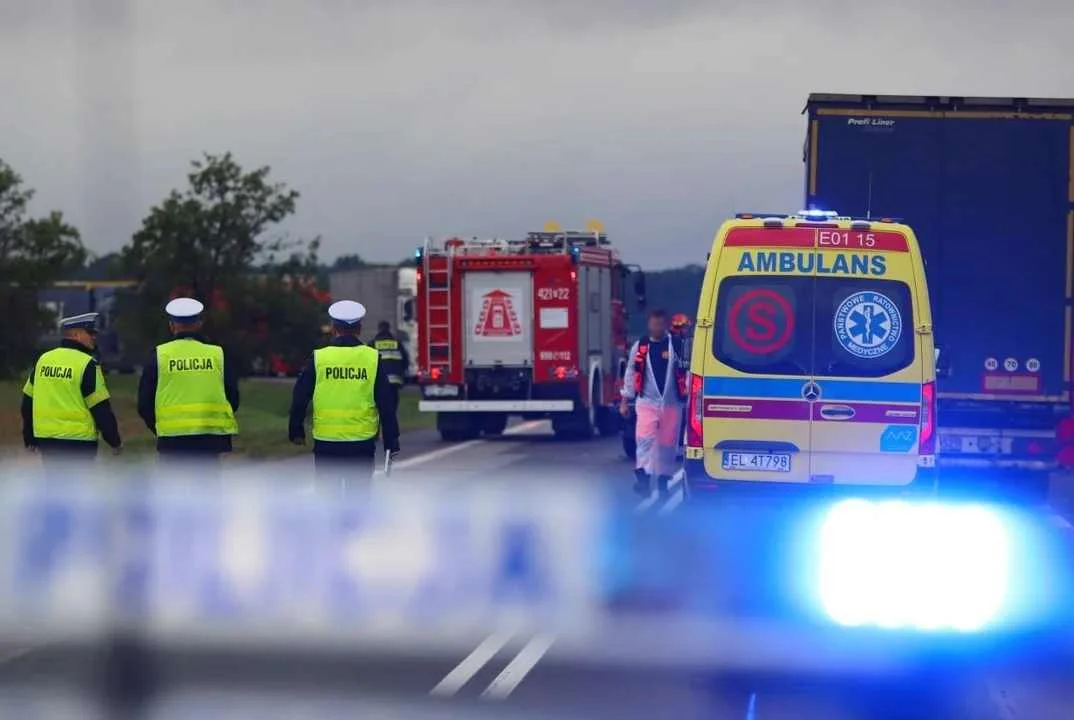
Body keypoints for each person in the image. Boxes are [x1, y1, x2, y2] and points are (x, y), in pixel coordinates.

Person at [288, 300, 401, 493]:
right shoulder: (372, 358)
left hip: (327, 444)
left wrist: (296, 430)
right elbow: (386, 404)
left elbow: (300, 396)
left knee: (327, 501)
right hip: (361, 444)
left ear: (333, 328)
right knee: (357, 501)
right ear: (359, 328)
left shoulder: (319, 358)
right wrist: (391, 440)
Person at [137, 297, 239, 471]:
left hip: (172, 443)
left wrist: (160, 428)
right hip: (209, 442)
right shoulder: (217, 354)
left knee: (173, 494)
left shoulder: (160, 355)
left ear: (172, 326)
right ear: (199, 324)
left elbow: (144, 403)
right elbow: (233, 398)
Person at [21, 313, 123, 473]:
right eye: (90, 333)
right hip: (78, 444)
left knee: (54, 488)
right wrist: (114, 441)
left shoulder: (44, 360)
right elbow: (101, 409)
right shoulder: (86, 364)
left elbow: (27, 401)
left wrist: (29, 437)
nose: (94, 337)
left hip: (47, 441)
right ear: (76, 334)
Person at [620, 309, 687, 499]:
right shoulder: (640, 347)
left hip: (671, 403)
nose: (656, 328)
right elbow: (631, 373)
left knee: (667, 444)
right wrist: (626, 399)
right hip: (646, 401)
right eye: (653, 324)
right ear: (649, 324)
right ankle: (642, 478)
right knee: (644, 439)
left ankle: (663, 481)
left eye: (660, 324)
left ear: (665, 325)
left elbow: (686, 371)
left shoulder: (676, 345)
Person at [371, 319, 409, 410]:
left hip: (378, 382)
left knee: (379, 407)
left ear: (379, 329)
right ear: (389, 329)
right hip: (394, 382)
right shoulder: (397, 344)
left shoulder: (373, 344)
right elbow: (405, 361)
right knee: (392, 408)